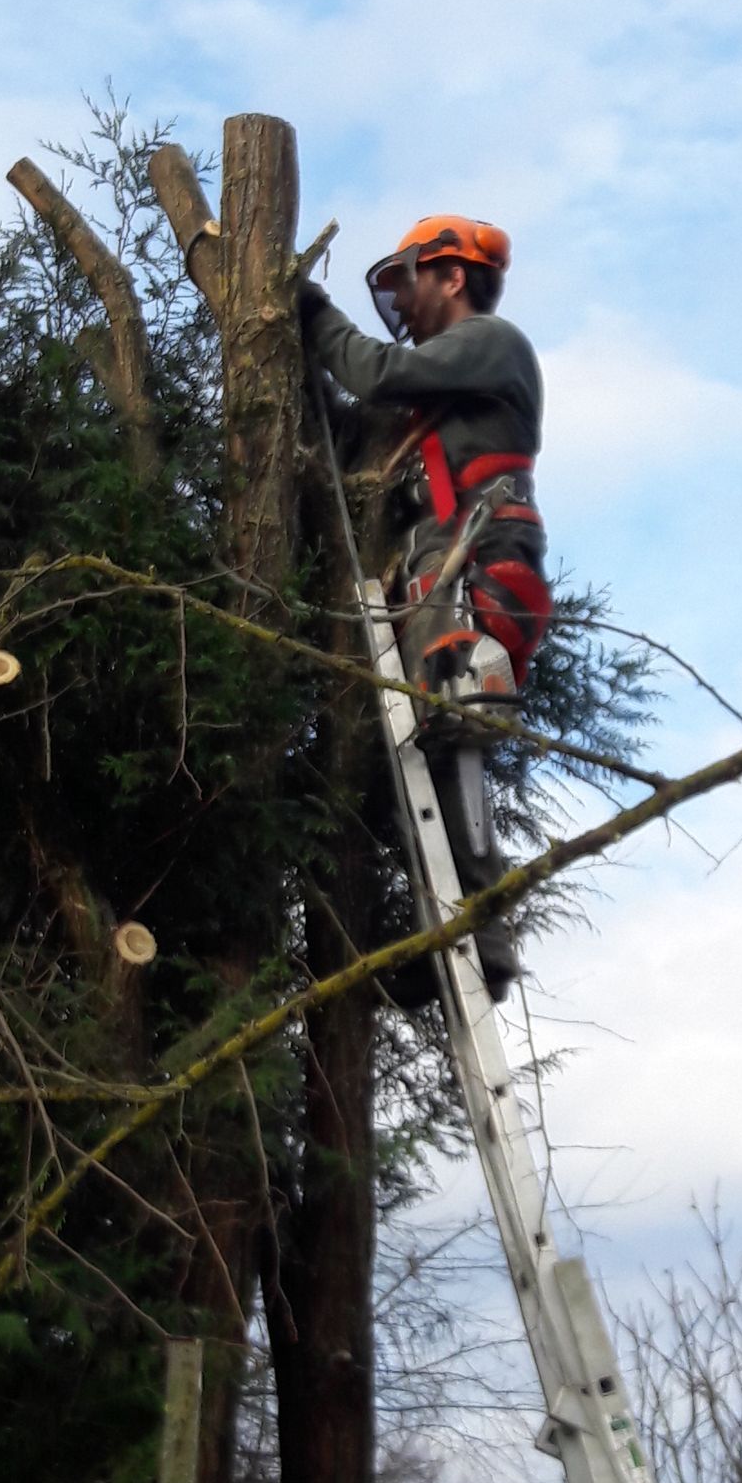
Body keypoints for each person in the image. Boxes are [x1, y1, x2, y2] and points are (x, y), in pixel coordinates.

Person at [299, 215, 552, 1003]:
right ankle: (440, 921)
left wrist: (317, 317)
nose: (402, 301)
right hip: (431, 571)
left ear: (451, 277)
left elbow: (375, 372)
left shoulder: (492, 342)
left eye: (412, 281)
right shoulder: (429, 400)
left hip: (481, 562)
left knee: (455, 734)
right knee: (414, 751)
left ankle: (488, 930)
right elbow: (359, 425)